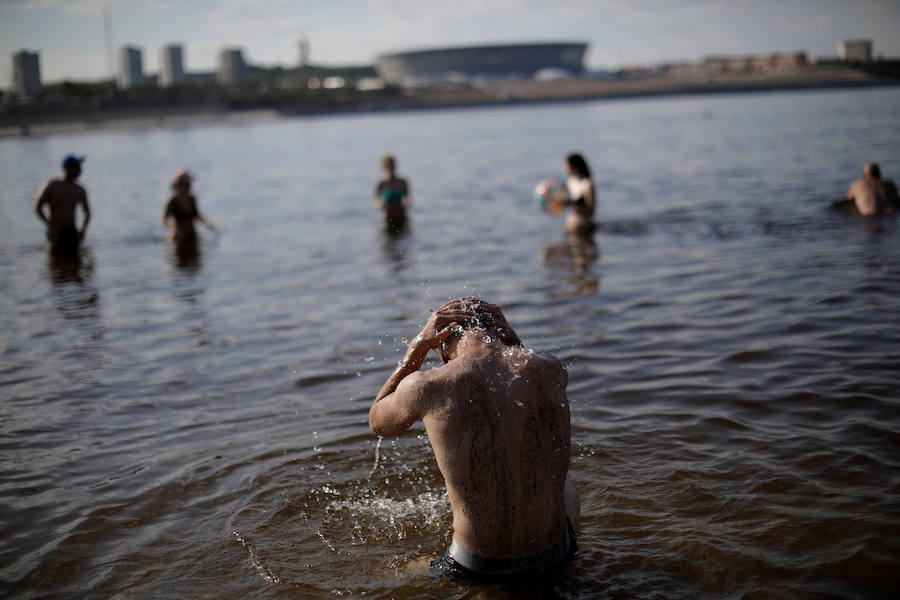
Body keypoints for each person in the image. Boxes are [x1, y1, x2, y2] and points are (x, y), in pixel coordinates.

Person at [369, 297, 579, 578]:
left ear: (442, 341)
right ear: (499, 331)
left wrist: (417, 346)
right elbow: (515, 370)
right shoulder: (551, 368)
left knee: (388, 573)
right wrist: (510, 336)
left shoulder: (427, 385)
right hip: (557, 553)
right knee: (566, 487)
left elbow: (377, 422)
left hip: (477, 565)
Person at [35, 154, 91, 252]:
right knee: (55, 259)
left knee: (74, 263)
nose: (80, 169)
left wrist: (83, 231)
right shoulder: (52, 186)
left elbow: (87, 212)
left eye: (80, 166)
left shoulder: (79, 189)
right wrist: (49, 225)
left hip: (72, 232)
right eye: (76, 166)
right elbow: (37, 207)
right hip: (56, 233)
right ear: (67, 168)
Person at [162, 169, 216, 245]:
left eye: (189, 184)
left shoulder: (192, 199)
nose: (189, 186)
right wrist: (173, 229)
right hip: (178, 237)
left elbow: (198, 216)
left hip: (192, 235)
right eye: (187, 184)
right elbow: (164, 220)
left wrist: (210, 226)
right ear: (179, 184)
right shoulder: (172, 201)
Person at [373, 155, 411, 230]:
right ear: (384, 167)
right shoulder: (381, 183)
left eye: (392, 165)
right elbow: (375, 201)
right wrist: (380, 205)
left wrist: (406, 203)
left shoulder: (402, 182)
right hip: (388, 218)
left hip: (401, 216)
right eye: (388, 166)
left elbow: (408, 198)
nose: (391, 168)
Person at [564, 153, 596, 234]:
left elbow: (591, 210)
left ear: (575, 166)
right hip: (571, 225)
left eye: (567, 166)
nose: (565, 169)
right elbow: (560, 194)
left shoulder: (587, 184)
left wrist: (572, 203)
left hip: (583, 227)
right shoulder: (571, 181)